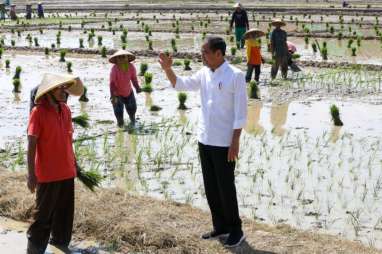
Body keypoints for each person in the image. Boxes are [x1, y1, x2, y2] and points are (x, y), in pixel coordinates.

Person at [159, 36, 247, 248]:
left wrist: (235, 141)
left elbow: (241, 112)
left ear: (219, 53)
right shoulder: (204, 73)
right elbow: (181, 84)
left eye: (205, 52)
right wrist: (168, 69)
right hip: (204, 139)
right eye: (202, 52)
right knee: (211, 186)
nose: (202, 56)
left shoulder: (235, 75)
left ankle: (236, 229)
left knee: (226, 187)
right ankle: (220, 226)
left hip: (224, 142)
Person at [26, 73, 84, 254]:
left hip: (67, 171)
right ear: (49, 91)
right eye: (59, 88)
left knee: (65, 213)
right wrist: (31, 173)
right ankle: (34, 250)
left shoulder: (65, 110)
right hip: (47, 173)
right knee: (42, 216)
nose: (63, 91)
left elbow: (68, 139)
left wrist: (74, 163)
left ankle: (59, 244)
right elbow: (31, 144)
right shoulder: (38, 112)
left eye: (64, 87)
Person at [109, 49, 141, 128]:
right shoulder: (114, 69)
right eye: (119, 58)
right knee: (119, 113)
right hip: (117, 94)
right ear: (116, 60)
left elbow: (134, 79)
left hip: (128, 92)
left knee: (132, 110)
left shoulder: (131, 67)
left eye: (123, 57)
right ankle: (120, 127)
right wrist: (113, 96)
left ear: (127, 58)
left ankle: (133, 123)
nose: (122, 59)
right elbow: (112, 83)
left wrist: (137, 87)